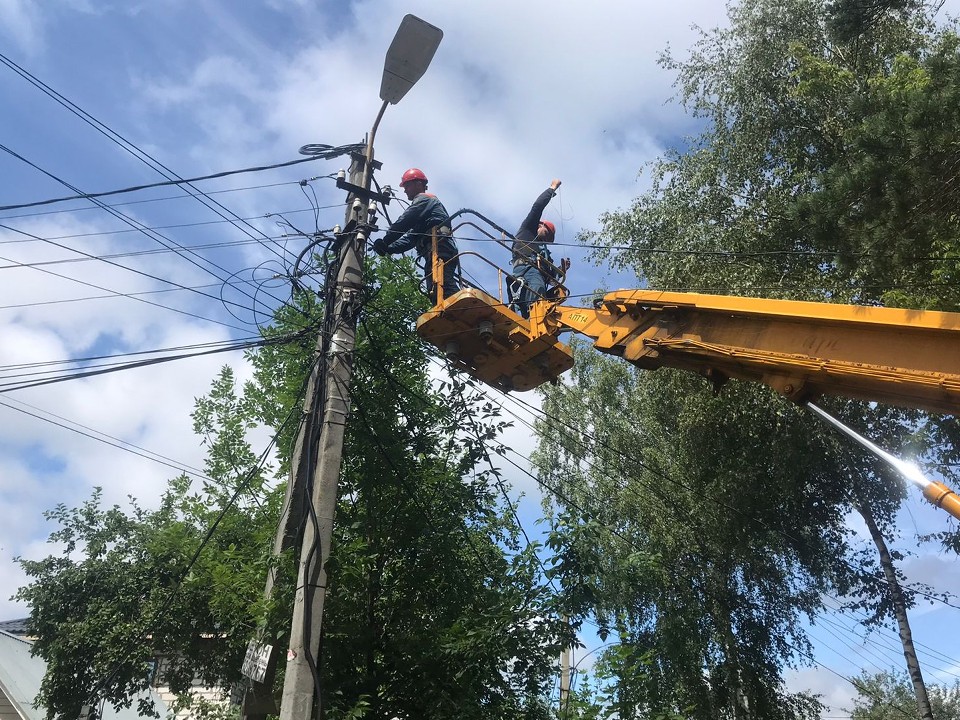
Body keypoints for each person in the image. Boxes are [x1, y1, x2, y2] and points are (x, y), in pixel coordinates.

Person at [373, 167, 459, 304]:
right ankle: (449, 313)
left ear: (418, 183)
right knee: (434, 288)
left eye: (407, 185)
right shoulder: (424, 218)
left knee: (443, 284)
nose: (405, 189)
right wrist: (389, 248)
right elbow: (411, 238)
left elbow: (406, 220)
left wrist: (386, 239)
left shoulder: (425, 199)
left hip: (441, 248)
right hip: (435, 251)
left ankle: (459, 307)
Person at [511, 179, 570, 318]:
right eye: (547, 234)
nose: (547, 239)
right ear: (541, 226)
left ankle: (534, 320)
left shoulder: (544, 254)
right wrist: (552, 189)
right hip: (526, 269)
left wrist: (561, 271)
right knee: (537, 289)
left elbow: (550, 278)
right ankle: (535, 319)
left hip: (535, 274)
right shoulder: (527, 230)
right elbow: (537, 207)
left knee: (539, 291)